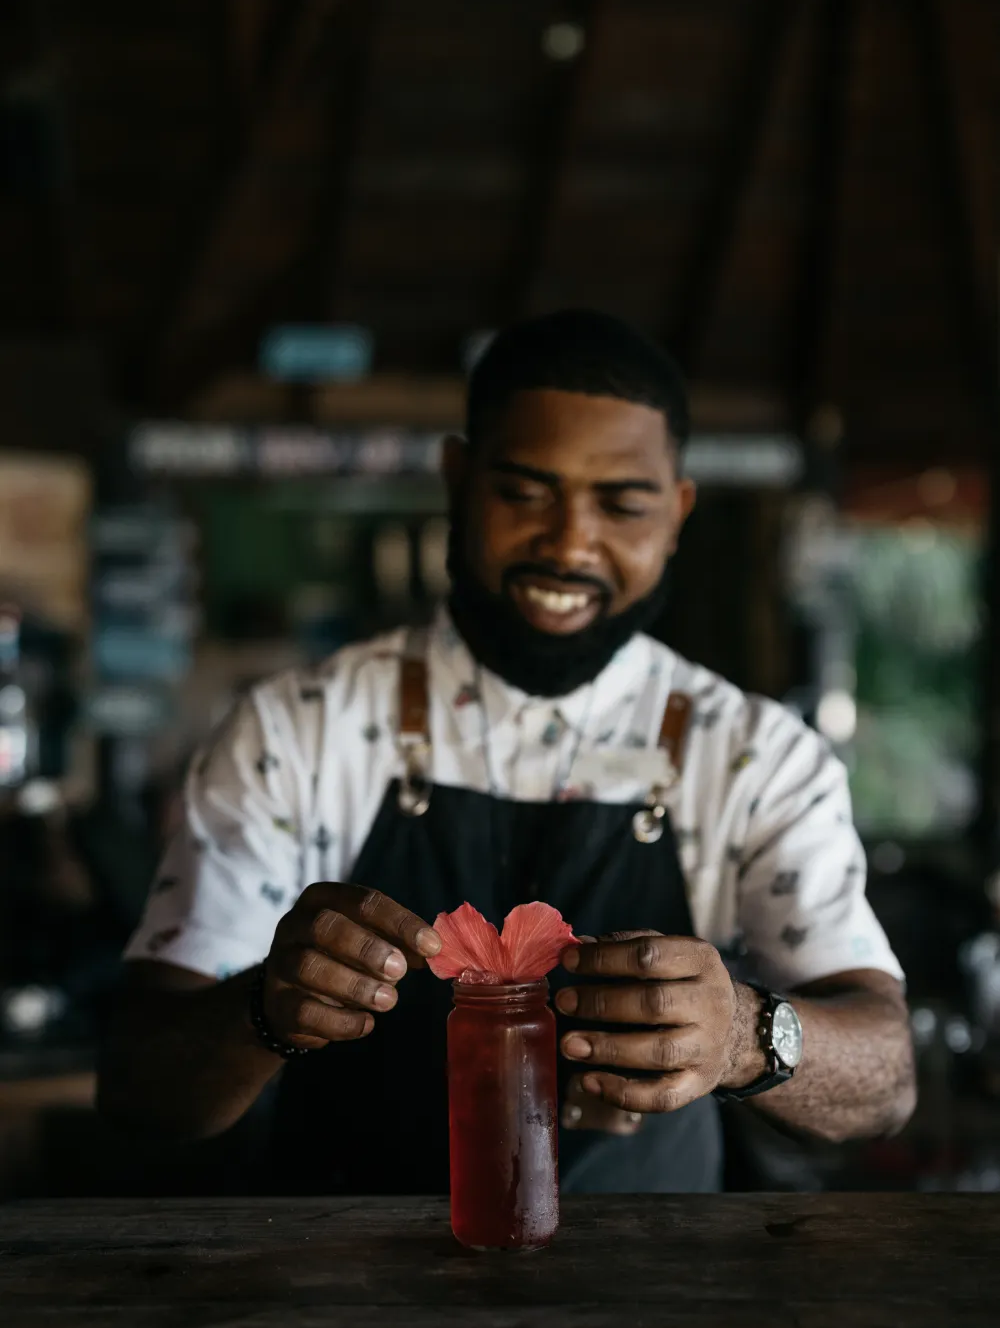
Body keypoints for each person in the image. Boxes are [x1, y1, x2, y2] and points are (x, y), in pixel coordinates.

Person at [99, 309, 916, 1192]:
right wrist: (260, 1006)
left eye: (622, 503)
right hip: (344, 1295)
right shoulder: (298, 731)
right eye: (524, 492)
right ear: (458, 480)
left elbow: (887, 1081)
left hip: (662, 1300)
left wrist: (747, 1037)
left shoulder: (757, 758)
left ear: (677, 512)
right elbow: (142, 1088)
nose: (568, 543)